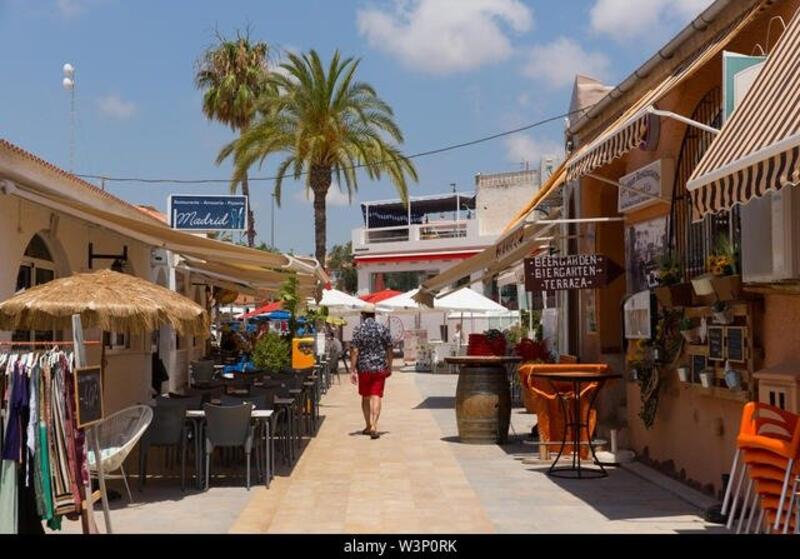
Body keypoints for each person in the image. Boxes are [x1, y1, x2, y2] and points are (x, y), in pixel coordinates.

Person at [350, 308, 393, 439]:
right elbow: (389, 348)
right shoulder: (382, 329)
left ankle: (368, 425)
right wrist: (390, 365)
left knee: (365, 397)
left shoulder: (358, 329)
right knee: (376, 396)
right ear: (374, 315)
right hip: (379, 368)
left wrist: (352, 369)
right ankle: (375, 425)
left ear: (363, 315)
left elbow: (355, 351)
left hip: (364, 368)